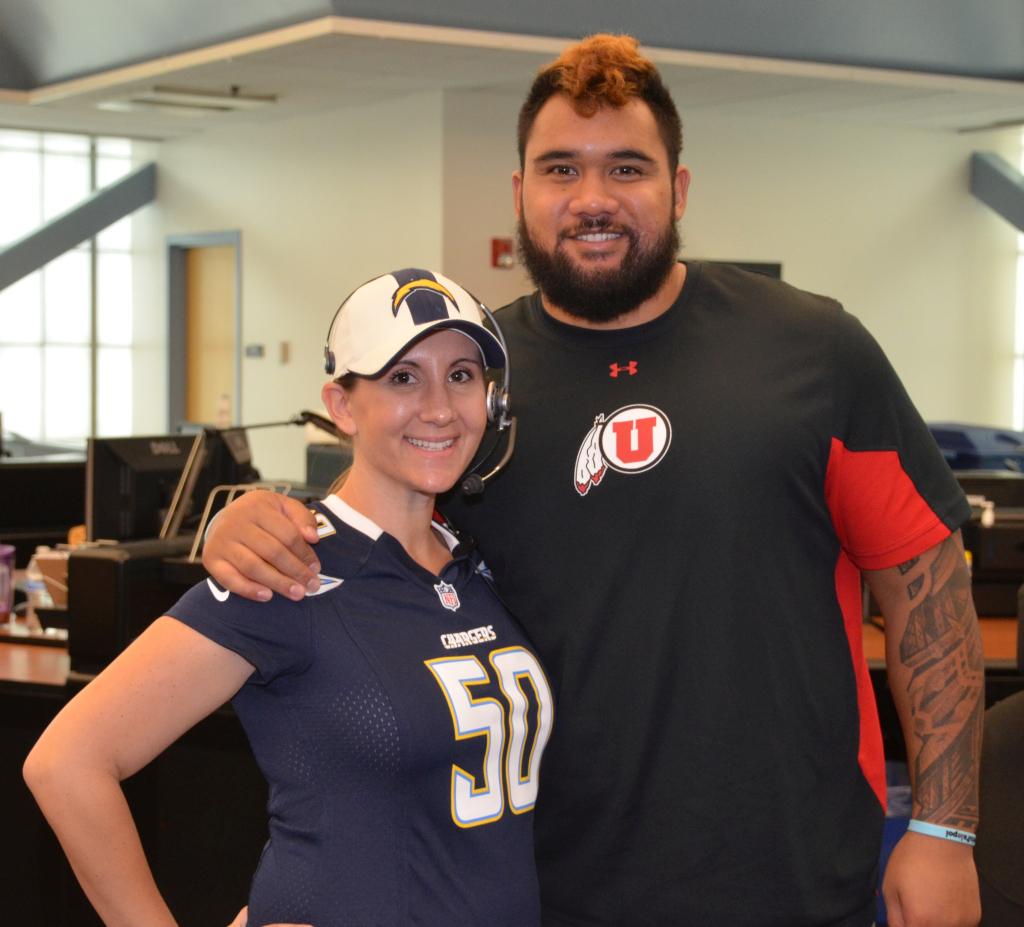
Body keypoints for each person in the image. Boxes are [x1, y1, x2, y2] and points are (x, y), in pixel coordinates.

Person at [202, 35, 984, 927]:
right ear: (520, 192)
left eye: (627, 168)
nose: (592, 198)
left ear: (678, 188)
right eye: (561, 169)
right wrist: (252, 522)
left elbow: (928, 583)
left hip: (790, 880)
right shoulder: (472, 382)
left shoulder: (814, 351)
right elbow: (367, 522)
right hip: (532, 888)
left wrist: (944, 828)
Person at [24, 269, 554, 927]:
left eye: (462, 375)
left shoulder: (478, 561)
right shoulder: (287, 567)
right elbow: (66, 762)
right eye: (403, 377)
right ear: (341, 406)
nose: (440, 407)